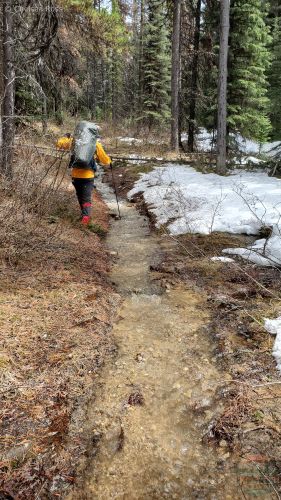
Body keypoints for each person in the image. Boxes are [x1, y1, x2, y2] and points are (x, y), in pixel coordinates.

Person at [56, 128, 111, 225]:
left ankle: (84, 216)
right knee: (86, 197)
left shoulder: (74, 142)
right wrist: (109, 161)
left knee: (80, 195)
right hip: (88, 175)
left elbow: (59, 144)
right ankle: (85, 218)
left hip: (75, 175)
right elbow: (104, 160)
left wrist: (65, 137)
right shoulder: (95, 144)